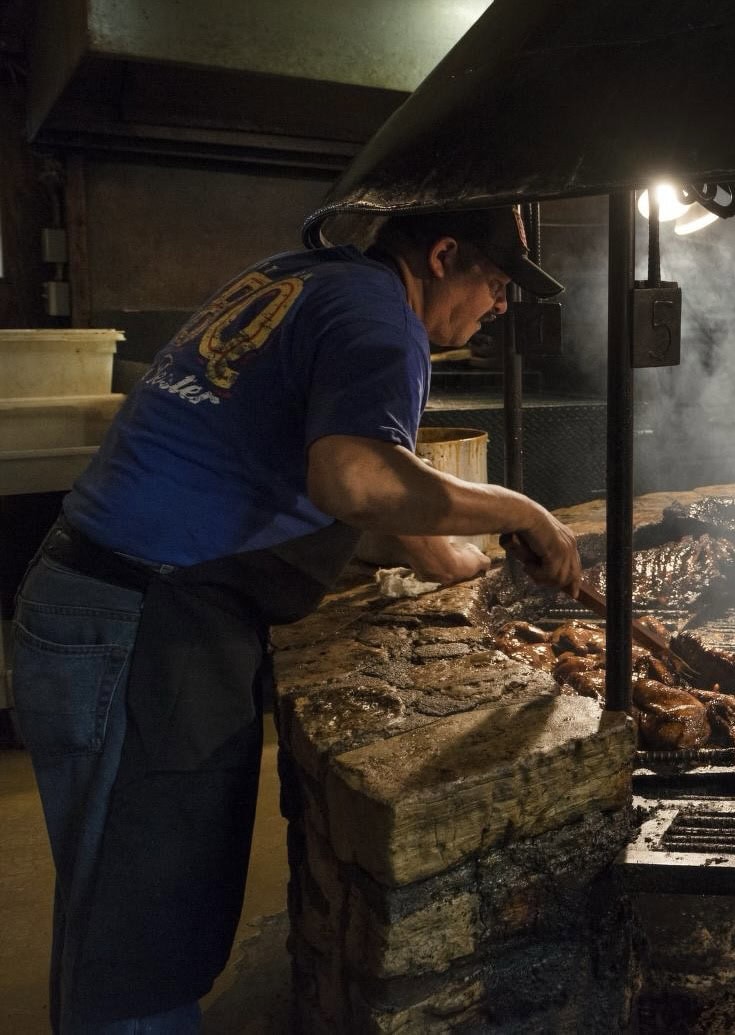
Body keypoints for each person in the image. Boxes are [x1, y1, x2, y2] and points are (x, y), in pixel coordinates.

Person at [9, 206, 582, 1033]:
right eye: (494, 284)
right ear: (443, 254)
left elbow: (328, 453)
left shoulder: (303, 277)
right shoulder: (387, 323)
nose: (497, 306)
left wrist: (444, 554)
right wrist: (519, 509)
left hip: (100, 604)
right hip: (138, 628)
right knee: (140, 945)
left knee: (111, 916)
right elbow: (351, 474)